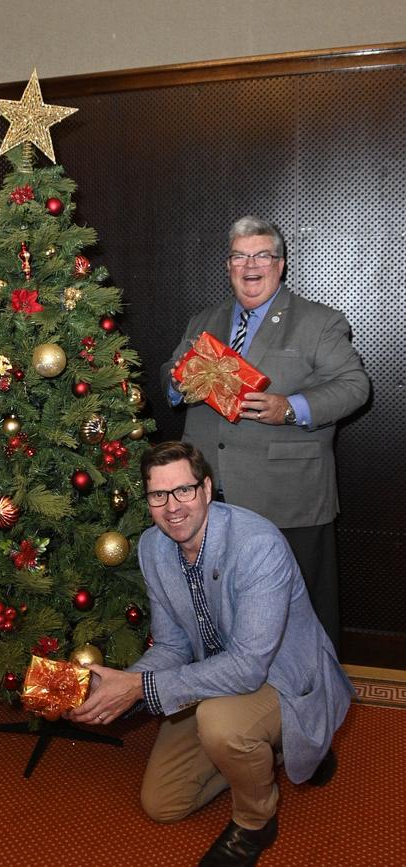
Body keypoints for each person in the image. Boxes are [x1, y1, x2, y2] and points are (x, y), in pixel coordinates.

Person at [70, 441, 353, 867]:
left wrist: (139, 688)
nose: (172, 507)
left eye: (183, 490)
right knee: (163, 803)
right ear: (148, 500)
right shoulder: (152, 548)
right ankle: (272, 751)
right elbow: (172, 647)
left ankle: (256, 821)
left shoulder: (257, 544)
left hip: (283, 677)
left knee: (220, 724)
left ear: (206, 488)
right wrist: (118, 685)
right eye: (158, 496)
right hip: (212, 678)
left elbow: (247, 668)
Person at [160, 215, 370, 649]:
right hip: (208, 496)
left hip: (288, 498)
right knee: (225, 610)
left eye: (261, 255)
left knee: (301, 617)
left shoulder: (319, 322)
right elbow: (169, 369)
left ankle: (310, 703)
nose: (250, 265)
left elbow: (354, 388)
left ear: (281, 264)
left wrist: (289, 408)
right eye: (239, 256)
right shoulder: (204, 320)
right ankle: (232, 698)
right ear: (228, 264)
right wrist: (177, 383)